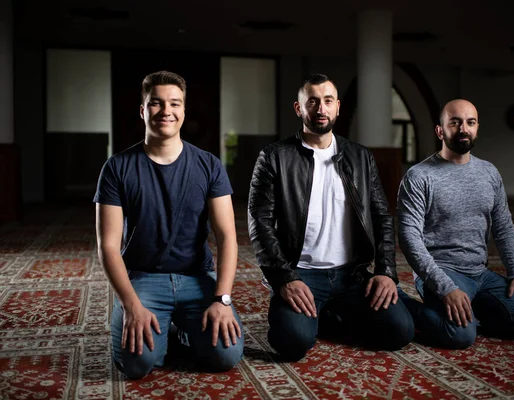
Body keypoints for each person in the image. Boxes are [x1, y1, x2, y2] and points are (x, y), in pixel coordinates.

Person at [247, 73, 416, 362]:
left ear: (337, 107)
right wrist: (284, 278)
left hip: (351, 275)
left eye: (327, 101)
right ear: (299, 109)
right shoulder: (274, 157)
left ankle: (326, 316)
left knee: (400, 331)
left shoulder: (361, 157)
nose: (320, 109)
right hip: (301, 274)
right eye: (312, 101)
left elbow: (381, 217)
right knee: (293, 342)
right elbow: (260, 223)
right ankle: (314, 318)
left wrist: (386, 272)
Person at [94, 71, 243, 379]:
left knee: (226, 356)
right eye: (156, 103)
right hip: (144, 279)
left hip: (196, 276)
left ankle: (184, 331)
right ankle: (165, 333)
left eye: (174, 104)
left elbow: (228, 237)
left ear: (184, 111)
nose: (166, 111)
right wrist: (131, 305)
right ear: (143, 110)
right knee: (137, 365)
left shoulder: (209, 165)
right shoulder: (117, 167)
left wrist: (222, 299)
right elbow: (107, 246)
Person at [396, 98, 514, 349]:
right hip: (440, 271)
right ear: (440, 130)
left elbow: (504, 227)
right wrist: (444, 287)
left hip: (479, 273)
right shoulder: (419, 176)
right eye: (455, 122)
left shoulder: (489, 173)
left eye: (470, 122)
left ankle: (465, 315)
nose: (463, 128)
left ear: (476, 128)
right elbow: (409, 238)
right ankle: (401, 302)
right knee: (460, 336)